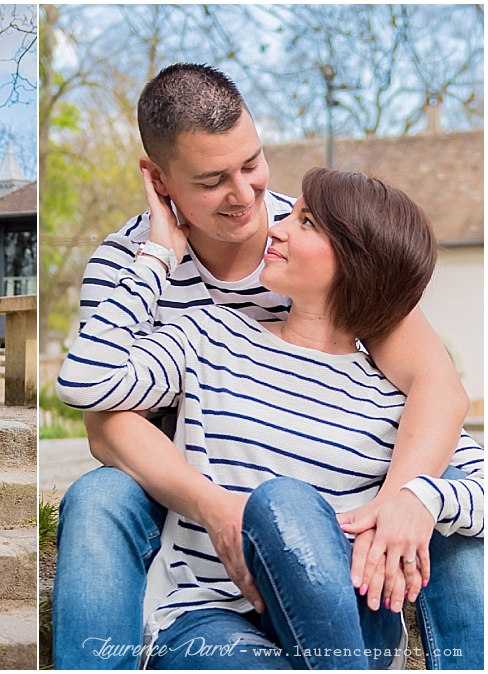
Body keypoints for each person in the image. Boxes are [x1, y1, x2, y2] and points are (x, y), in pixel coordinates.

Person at [53, 64, 481, 669]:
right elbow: (103, 420)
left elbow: (436, 385)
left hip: (326, 532)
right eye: (212, 180)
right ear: (159, 179)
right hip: (182, 471)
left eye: (252, 163)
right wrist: (215, 507)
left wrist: (402, 504)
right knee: (99, 499)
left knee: (441, 519)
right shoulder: (133, 269)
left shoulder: (318, 236)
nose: (246, 196)